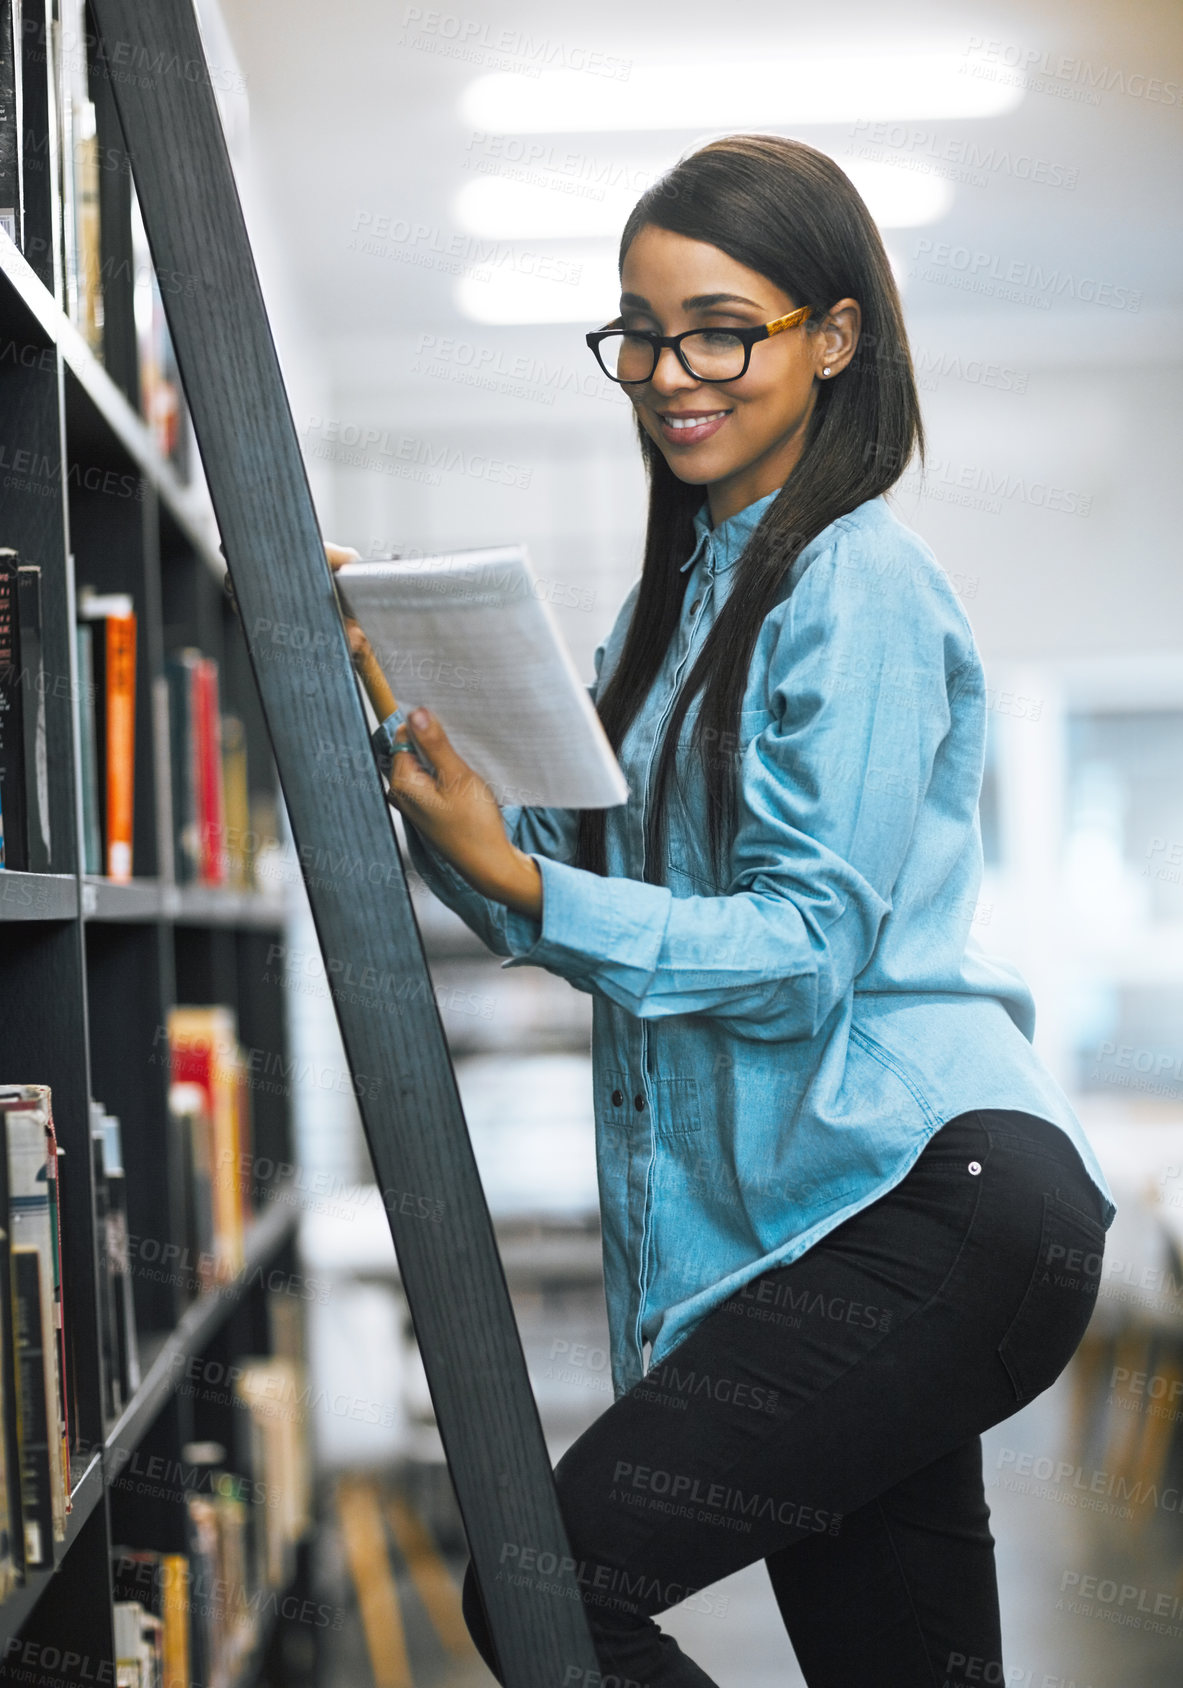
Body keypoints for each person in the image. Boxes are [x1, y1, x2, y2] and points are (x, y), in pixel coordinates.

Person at [330, 133, 1117, 1688]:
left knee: (547, 1589)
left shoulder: (855, 579)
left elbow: (801, 949)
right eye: (639, 331)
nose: (668, 372)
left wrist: (529, 877)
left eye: (719, 328)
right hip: (838, 1229)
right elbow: (551, 891)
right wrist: (406, 728)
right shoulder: (673, 603)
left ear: (833, 339)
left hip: (936, 1206)